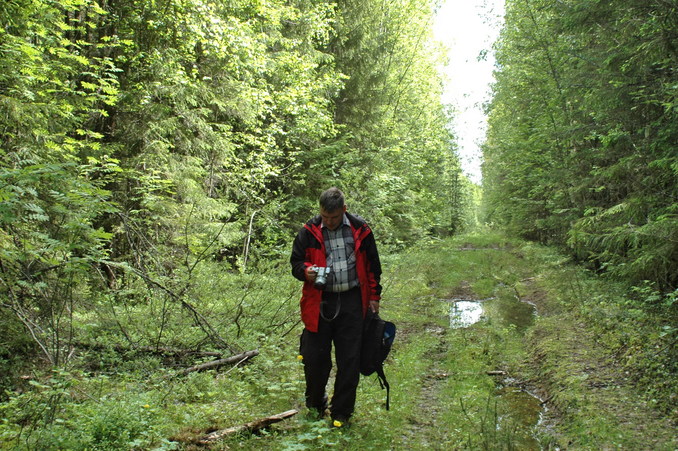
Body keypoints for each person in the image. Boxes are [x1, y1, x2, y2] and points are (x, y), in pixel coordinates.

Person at [290, 187, 382, 426]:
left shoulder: (361, 230)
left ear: (344, 209)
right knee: (314, 359)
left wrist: (374, 297)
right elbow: (296, 263)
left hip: (352, 300)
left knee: (349, 360)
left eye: (333, 217)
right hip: (319, 302)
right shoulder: (308, 232)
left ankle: (341, 413)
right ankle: (316, 406)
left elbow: (373, 266)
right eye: (324, 216)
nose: (329, 222)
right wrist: (306, 272)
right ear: (320, 211)